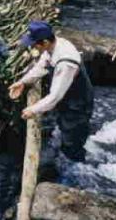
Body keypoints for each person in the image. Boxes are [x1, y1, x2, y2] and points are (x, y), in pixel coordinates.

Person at [9, 21, 94, 162]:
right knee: (64, 127)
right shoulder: (53, 46)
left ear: (46, 42)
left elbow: (55, 97)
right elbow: (42, 66)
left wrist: (33, 110)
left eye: (34, 43)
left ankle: (77, 164)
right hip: (68, 98)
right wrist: (22, 82)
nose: (32, 47)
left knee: (72, 142)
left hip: (78, 105)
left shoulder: (66, 63)